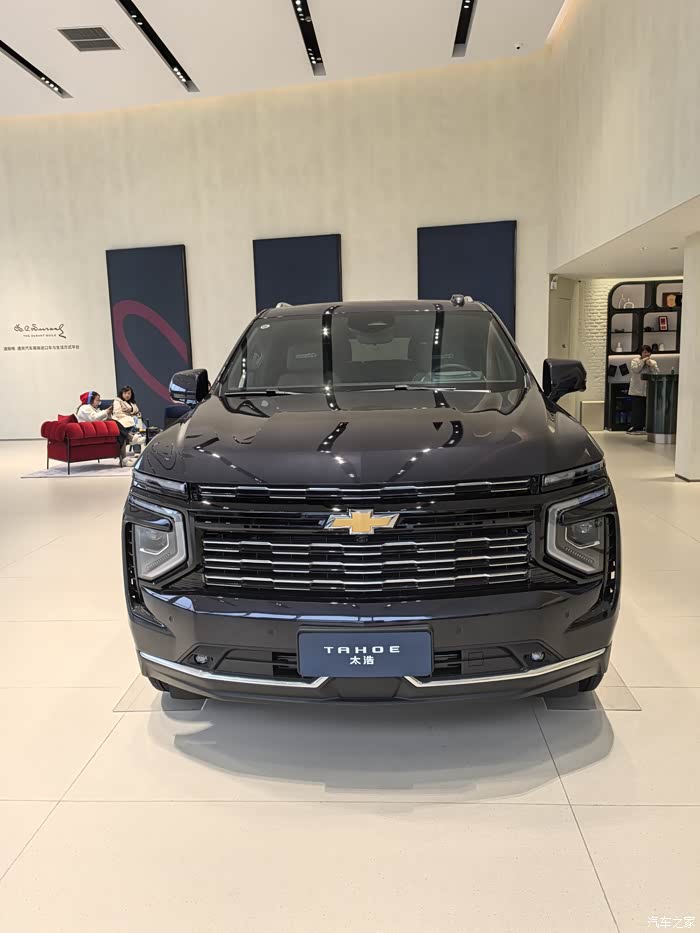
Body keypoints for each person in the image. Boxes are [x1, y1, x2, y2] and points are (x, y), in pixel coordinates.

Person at [627, 345, 659, 434]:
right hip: (636, 390)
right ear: (641, 353)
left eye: (648, 352)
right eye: (644, 352)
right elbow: (636, 369)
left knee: (646, 409)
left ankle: (646, 426)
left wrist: (651, 365)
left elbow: (656, 373)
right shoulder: (635, 361)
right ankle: (635, 426)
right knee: (637, 409)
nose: (646, 354)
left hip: (648, 390)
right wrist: (643, 362)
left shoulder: (653, 362)